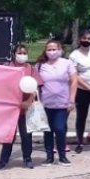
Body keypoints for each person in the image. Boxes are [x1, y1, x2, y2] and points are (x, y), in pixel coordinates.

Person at [0, 44, 43, 170]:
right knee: (8, 135)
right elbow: (0, 84)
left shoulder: (31, 69)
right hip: (10, 108)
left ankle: (27, 159)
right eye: (19, 52)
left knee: (26, 135)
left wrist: (28, 102)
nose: (22, 55)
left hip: (26, 107)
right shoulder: (7, 68)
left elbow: (35, 88)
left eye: (24, 53)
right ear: (14, 54)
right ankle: (3, 160)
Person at [36, 39, 77, 167]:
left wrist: (72, 99)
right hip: (45, 103)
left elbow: (74, 81)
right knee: (47, 130)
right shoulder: (40, 65)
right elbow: (35, 84)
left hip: (62, 103)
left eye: (54, 49)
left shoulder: (67, 64)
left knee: (59, 129)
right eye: (49, 49)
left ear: (60, 50)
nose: (52, 52)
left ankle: (62, 156)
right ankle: (49, 157)